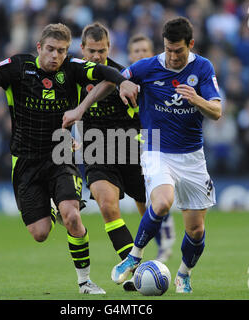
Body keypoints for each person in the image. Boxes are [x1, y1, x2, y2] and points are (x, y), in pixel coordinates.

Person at [0, 23, 138, 295]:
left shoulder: (72, 69)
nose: (56, 56)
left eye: (62, 51)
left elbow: (104, 71)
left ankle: (85, 282)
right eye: (51, 49)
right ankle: (50, 211)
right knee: (40, 233)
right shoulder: (18, 67)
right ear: (39, 47)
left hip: (61, 153)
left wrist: (123, 81)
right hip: (26, 160)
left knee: (73, 215)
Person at [63, 17, 222, 293]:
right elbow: (111, 81)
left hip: (192, 156)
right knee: (160, 203)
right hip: (156, 151)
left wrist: (196, 99)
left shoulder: (203, 68)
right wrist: (81, 109)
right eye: (168, 50)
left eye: (179, 51)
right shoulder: (147, 67)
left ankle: (184, 273)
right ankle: (133, 256)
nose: (173, 57)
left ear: (191, 45)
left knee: (195, 231)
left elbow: (217, 112)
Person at [76, 22, 146, 292]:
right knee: (107, 206)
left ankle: (158, 252)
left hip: (130, 150)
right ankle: (134, 269)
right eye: (91, 51)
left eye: (101, 51)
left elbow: (143, 114)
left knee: (151, 209)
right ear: (82, 49)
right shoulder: (71, 74)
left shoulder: (121, 76)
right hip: (97, 153)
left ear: (109, 49)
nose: (96, 57)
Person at [127, 33, 177, 264]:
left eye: (144, 51)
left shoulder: (158, 78)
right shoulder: (124, 82)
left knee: (152, 196)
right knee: (142, 201)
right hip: (128, 142)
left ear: (152, 54)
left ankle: (162, 243)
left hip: (155, 142)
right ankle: (160, 236)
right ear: (130, 55)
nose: (139, 55)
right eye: (135, 52)